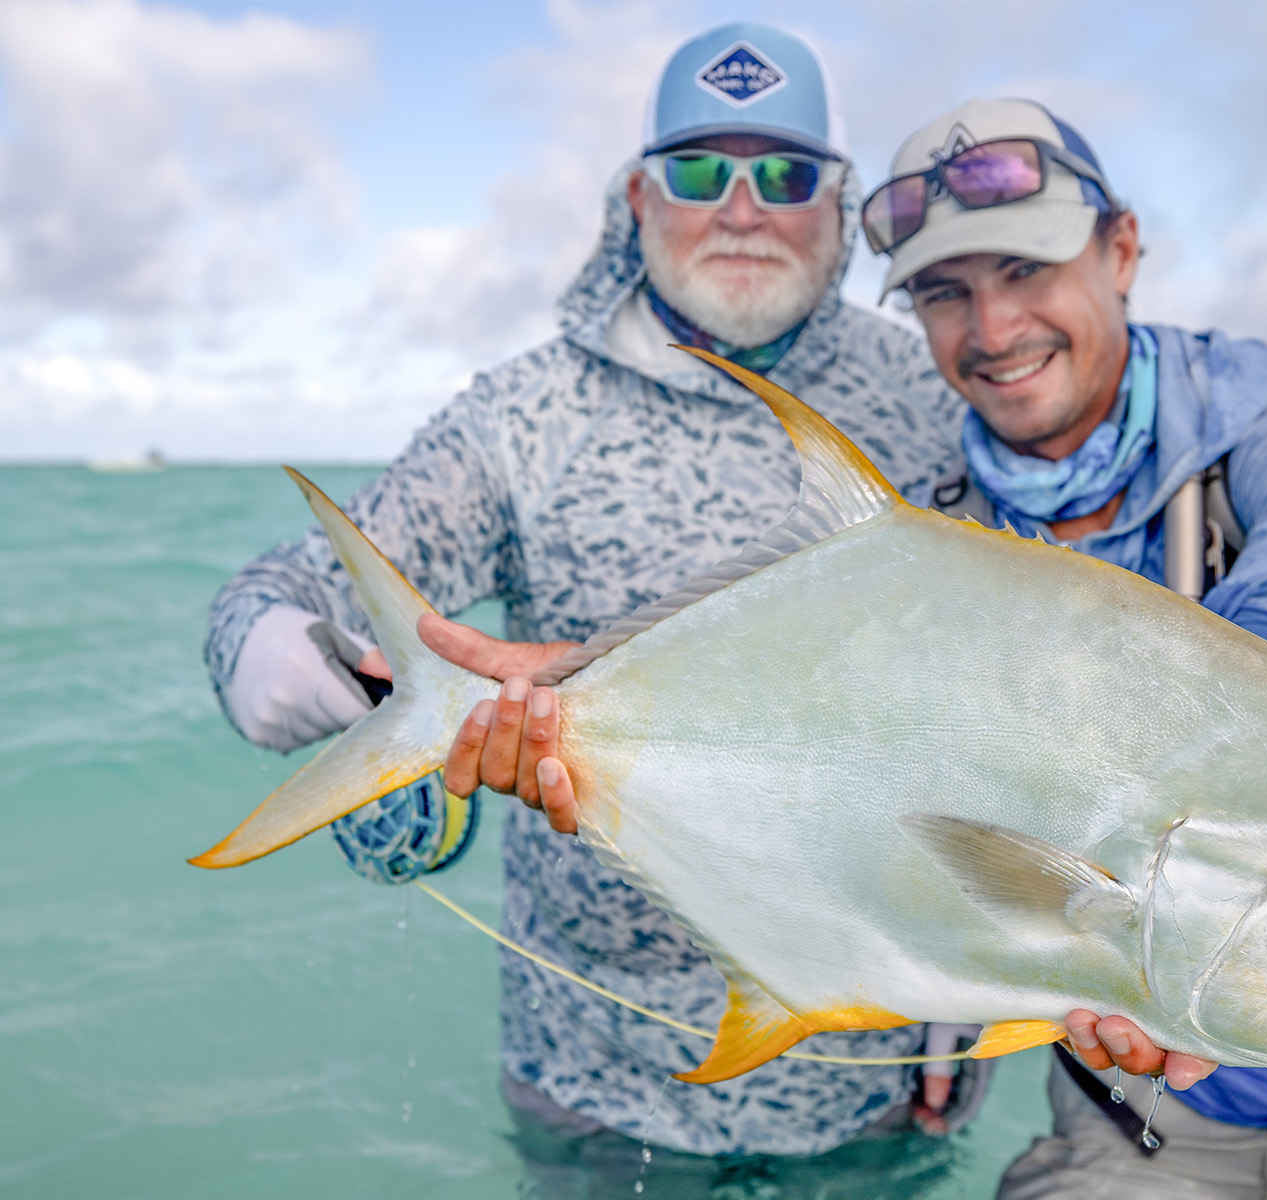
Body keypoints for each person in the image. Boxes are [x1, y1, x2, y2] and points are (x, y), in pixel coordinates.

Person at [441, 98, 1267, 1199]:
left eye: (1026, 271)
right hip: (1135, 1108)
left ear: (1121, 249)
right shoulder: (934, 527)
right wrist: (593, 703)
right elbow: (876, 770)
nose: (991, 332)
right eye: (944, 292)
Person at [203, 21, 981, 1184]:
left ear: (838, 202)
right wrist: (368, 696)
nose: (742, 206)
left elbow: (1032, 688)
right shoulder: (523, 412)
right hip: (597, 1091)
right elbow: (276, 593)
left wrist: (984, 988)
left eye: (784, 173)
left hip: (875, 1098)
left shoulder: (939, 390)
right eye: (699, 170)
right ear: (636, 195)